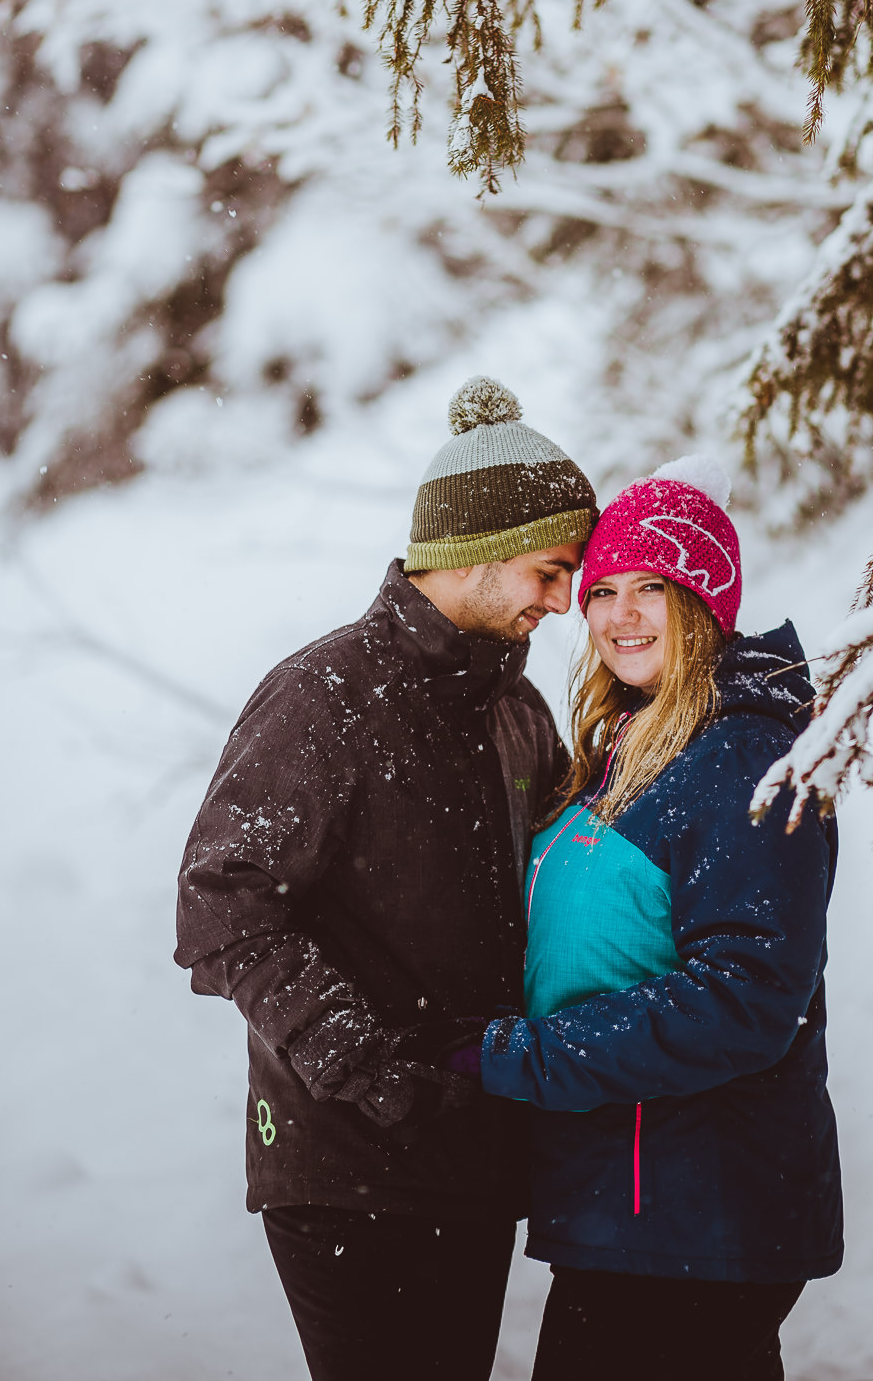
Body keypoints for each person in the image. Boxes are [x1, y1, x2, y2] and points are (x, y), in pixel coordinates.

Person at [174, 377, 598, 1381]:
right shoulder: (322, 698)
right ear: (480, 548)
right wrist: (376, 1074)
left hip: (472, 1158)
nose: (560, 597)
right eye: (550, 569)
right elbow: (221, 906)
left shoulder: (516, 709)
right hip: (345, 1165)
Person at [480, 456, 843, 1380]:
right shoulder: (630, 745)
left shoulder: (744, 751)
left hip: (695, 1203)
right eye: (601, 589)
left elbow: (747, 997)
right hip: (629, 1198)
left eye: (653, 587)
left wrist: (522, 1057)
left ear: (706, 601)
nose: (620, 614)